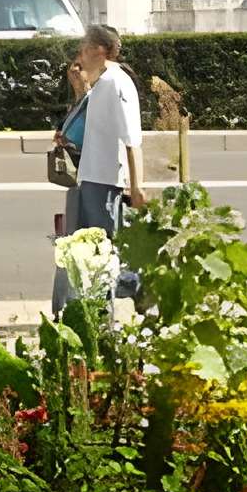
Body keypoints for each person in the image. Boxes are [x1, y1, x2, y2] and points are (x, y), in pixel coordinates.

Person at [50, 23, 149, 312]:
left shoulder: (117, 83)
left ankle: (139, 287)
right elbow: (87, 127)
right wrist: (80, 89)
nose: (79, 55)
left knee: (102, 253)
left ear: (98, 50)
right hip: (88, 179)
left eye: (83, 48)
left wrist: (137, 186)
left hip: (105, 182)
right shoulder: (103, 84)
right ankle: (82, 312)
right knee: (82, 254)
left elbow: (132, 140)